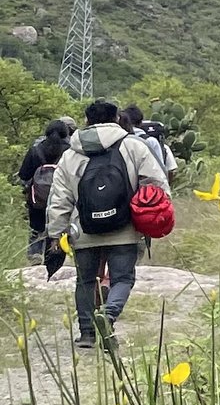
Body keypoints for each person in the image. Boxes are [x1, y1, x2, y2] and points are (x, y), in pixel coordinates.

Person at [45, 99, 169, 349]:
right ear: (116, 119)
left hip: (84, 231)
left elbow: (59, 199)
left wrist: (56, 234)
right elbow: (158, 185)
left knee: (85, 281)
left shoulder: (71, 154)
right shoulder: (133, 146)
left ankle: (88, 334)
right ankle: (109, 314)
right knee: (122, 279)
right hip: (124, 229)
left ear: (87, 121)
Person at [18, 116, 71, 269]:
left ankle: (34, 258)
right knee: (59, 228)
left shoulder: (35, 150)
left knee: (36, 228)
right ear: (65, 133)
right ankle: (54, 259)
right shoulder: (69, 151)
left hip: (37, 199)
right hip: (61, 198)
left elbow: (24, 175)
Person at [117, 103, 179, 181]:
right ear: (140, 123)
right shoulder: (152, 141)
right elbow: (162, 170)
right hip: (147, 189)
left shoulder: (117, 140)